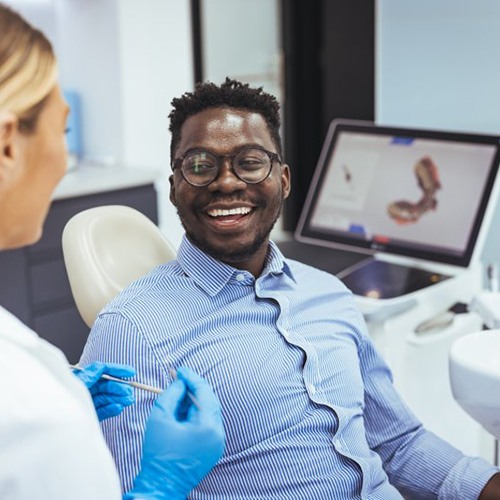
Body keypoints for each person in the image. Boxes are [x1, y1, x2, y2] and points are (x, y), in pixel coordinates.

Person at [79, 78, 500, 499]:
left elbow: (398, 443)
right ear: (175, 188)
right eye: (201, 165)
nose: (226, 182)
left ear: (283, 180)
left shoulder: (328, 294)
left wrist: (485, 485)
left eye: (250, 162)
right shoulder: (132, 331)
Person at [0, 4, 224, 499]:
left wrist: (68, 394)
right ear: (8, 145)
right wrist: (159, 487)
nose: (63, 162)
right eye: (63, 129)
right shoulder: (29, 410)